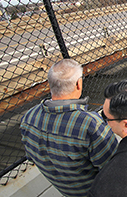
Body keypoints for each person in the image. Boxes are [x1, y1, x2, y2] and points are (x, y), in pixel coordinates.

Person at [20, 59, 118, 197]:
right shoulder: (90, 124)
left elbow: (32, 156)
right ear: (78, 84)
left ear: (51, 84)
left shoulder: (29, 117)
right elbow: (116, 168)